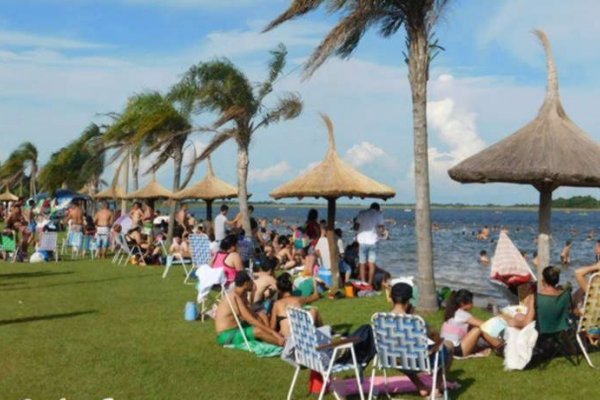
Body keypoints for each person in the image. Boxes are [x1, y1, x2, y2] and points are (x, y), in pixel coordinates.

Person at [389, 283, 451, 398]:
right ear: (409, 300)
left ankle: (421, 386)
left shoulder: (381, 319)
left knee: (404, 355)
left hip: (392, 360)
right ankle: (436, 390)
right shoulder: (416, 321)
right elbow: (435, 337)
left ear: (391, 297)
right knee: (448, 346)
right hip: (417, 362)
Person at [215, 271, 285, 347]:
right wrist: (272, 333)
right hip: (227, 335)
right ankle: (283, 344)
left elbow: (252, 314)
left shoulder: (242, 295)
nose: (254, 284)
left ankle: (274, 337)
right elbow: (249, 319)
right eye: (251, 281)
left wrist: (263, 322)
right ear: (246, 284)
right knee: (258, 331)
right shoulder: (234, 297)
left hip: (237, 328)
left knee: (261, 316)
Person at [441, 289, 503, 358]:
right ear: (462, 303)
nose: (473, 304)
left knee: (474, 328)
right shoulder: (462, 314)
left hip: (447, 349)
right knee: (479, 329)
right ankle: (501, 347)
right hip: (457, 350)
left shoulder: (452, 313)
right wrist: (500, 324)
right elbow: (484, 324)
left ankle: (497, 345)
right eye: (471, 302)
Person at [270, 273, 321, 337]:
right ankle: (323, 332)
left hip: (287, 338)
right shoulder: (299, 300)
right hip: (301, 335)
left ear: (279, 290)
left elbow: (272, 327)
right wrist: (314, 284)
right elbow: (316, 296)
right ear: (291, 287)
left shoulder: (277, 304)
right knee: (314, 310)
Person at [355, 202, 385, 285]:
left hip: (362, 241)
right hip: (373, 241)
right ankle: (370, 283)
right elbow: (381, 228)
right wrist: (381, 233)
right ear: (378, 209)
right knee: (372, 263)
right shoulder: (379, 215)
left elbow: (356, 227)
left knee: (362, 263)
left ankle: (363, 282)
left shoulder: (362, 213)